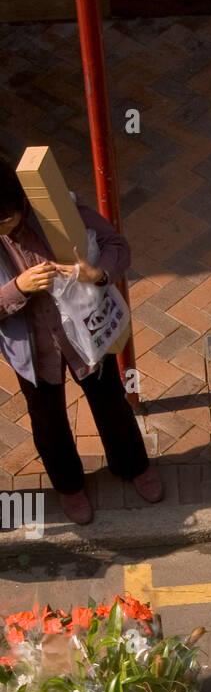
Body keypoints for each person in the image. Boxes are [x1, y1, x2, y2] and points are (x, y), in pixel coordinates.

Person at [0, 156, 162, 525]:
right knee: (48, 423)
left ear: (21, 203)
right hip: (31, 350)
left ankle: (134, 466)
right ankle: (69, 488)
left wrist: (98, 273)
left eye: (5, 219)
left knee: (111, 404)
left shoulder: (54, 210)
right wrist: (16, 289)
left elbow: (116, 246)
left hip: (85, 336)